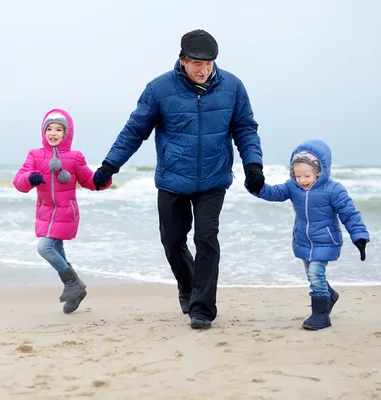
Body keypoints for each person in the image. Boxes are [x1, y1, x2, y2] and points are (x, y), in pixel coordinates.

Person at [92, 29, 265, 330]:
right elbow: (134, 131)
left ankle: (202, 308)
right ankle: (188, 287)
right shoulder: (159, 89)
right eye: (197, 63)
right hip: (173, 178)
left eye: (209, 63)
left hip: (213, 178)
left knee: (206, 238)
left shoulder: (233, 87)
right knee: (172, 241)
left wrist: (253, 165)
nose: (203, 69)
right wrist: (110, 165)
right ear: (183, 60)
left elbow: (246, 129)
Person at [249, 139, 369, 330]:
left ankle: (320, 315)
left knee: (315, 274)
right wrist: (256, 186)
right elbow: (272, 193)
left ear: (319, 171)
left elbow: (349, 213)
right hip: (304, 240)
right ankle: (329, 296)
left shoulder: (333, 190)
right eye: (298, 176)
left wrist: (359, 236)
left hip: (325, 241)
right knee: (312, 274)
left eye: (307, 175)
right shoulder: (292, 187)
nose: (302, 180)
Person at [13, 109, 112, 314]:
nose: (53, 133)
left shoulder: (74, 157)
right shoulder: (35, 155)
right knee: (56, 250)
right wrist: (30, 179)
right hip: (45, 213)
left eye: (59, 129)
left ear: (67, 133)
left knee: (45, 248)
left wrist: (103, 179)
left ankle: (72, 283)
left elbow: (88, 181)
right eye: (49, 129)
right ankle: (76, 290)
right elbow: (19, 181)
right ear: (43, 132)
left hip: (66, 213)